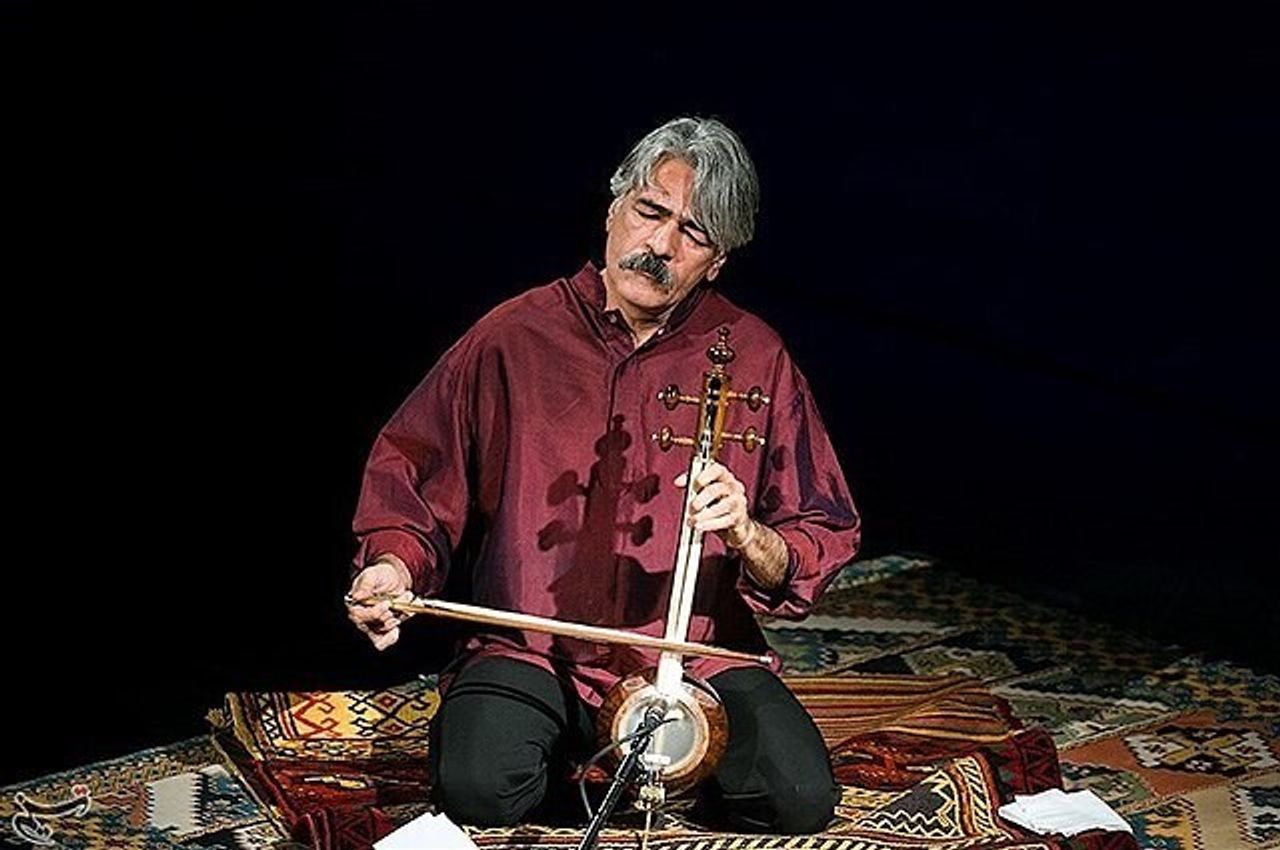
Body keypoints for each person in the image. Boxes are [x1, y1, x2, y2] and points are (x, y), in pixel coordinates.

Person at [345, 117, 861, 833]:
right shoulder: (513, 335)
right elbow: (417, 471)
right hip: (534, 649)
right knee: (478, 789)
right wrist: (393, 568)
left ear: (716, 262)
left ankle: (629, 762)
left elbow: (820, 525)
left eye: (694, 233)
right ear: (614, 208)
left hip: (694, 660)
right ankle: (616, 765)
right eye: (651, 212)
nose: (660, 245)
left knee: (798, 799)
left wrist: (748, 533)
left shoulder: (754, 355)